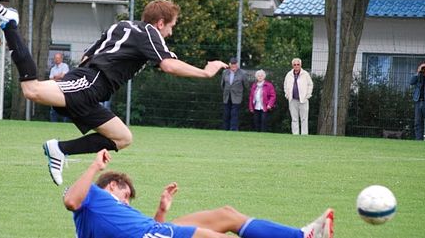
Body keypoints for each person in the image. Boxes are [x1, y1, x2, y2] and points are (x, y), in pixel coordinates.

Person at [0, 0, 228, 185]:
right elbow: (168, 64)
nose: (170, 33)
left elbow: (89, 54)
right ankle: (10, 23)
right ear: (160, 23)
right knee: (31, 89)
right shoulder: (149, 32)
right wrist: (205, 72)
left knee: (123, 138)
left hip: (91, 87)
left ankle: (60, 149)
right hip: (91, 82)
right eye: (171, 27)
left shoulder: (120, 27)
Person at [64, 149, 335, 238]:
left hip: (154, 232)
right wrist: (95, 166)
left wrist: (162, 209)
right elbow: (70, 201)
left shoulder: (116, 211)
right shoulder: (91, 194)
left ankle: (300, 235)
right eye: (126, 194)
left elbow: (147, 227)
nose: (127, 199)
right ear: (111, 185)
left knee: (226, 214)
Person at [283, 58, 313, 135]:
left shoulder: (305, 74)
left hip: (303, 100)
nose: (296, 66)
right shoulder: (289, 74)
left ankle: (304, 134)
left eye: (298, 64)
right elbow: (285, 85)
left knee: (304, 118)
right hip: (292, 100)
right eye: (295, 64)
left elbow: (310, 84)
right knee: (294, 119)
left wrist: (308, 95)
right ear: (292, 65)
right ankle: (295, 134)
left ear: (300, 65)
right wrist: (287, 95)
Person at [221, 57, 249, 131]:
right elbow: (222, 85)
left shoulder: (243, 73)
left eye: (235, 64)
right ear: (229, 64)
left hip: (237, 97)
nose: (233, 65)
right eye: (232, 64)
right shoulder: (225, 72)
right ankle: (225, 129)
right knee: (226, 114)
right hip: (227, 96)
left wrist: (240, 92)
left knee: (234, 114)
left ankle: (233, 129)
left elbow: (246, 85)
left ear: (237, 64)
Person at [49, 52, 70, 122]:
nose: (56, 60)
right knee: (53, 108)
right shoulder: (53, 69)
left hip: (63, 89)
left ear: (61, 59)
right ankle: (53, 124)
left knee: (65, 106)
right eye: (55, 58)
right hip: (55, 89)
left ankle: (65, 123)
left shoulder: (65, 66)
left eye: (58, 58)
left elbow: (63, 76)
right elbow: (51, 80)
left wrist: (55, 77)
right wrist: (59, 76)